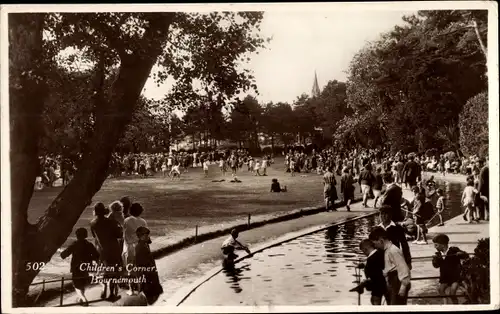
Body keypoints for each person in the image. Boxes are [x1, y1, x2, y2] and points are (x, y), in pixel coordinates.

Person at [369, 227, 411, 305]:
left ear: (381, 241)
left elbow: (403, 268)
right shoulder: (387, 250)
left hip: (398, 282)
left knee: (396, 305)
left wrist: (403, 286)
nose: (375, 246)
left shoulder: (393, 250)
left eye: (375, 243)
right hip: (392, 281)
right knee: (391, 304)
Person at [90, 202, 123, 301]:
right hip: (113, 249)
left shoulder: (92, 223)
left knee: (103, 270)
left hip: (101, 249)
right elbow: (119, 235)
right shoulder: (111, 222)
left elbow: (93, 236)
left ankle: (104, 289)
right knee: (113, 271)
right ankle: (112, 293)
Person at [60, 228, 100, 306]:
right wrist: (90, 260)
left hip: (76, 268)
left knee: (76, 285)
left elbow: (63, 255)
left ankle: (84, 300)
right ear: (86, 235)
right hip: (86, 267)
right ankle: (81, 299)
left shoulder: (74, 244)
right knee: (81, 284)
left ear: (77, 235)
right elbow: (97, 256)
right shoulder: (89, 244)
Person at [432, 234, 469, 304]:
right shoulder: (438, 255)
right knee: (440, 289)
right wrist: (435, 260)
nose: (434, 247)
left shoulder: (453, 250)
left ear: (443, 245)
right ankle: (445, 303)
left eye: (436, 245)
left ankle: (455, 304)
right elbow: (436, 266)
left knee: (452, 292)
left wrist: (461, 254)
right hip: (445, 277)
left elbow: (466, 255)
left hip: (455, 277)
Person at [122, 203, 147, 296]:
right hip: (139, 246)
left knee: (130, 269)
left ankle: (131, 289)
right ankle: (140, 289)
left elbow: (124, 235)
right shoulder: (143, 222)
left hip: (129, 247)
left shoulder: (127, 221)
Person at [135, 226, 163, 305]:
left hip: (150, 274)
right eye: (146, 235)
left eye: (148, 235)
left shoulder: (144, 244)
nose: (148, 237)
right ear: (141, 237)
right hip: (147, 275)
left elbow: (149, 241)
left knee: (153, 294)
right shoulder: (140, 247)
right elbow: (140, 264)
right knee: (149, 296)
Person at [358, 239, 388, 305]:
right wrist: (364, 265)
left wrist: (363, 284)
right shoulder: (379, 253)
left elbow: (374, 276)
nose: (364, 253)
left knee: (375, 301)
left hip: (377, 286)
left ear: (365, 249)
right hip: (384, 283)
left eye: (363, 251)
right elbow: (378, 267)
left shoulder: (371, 260)